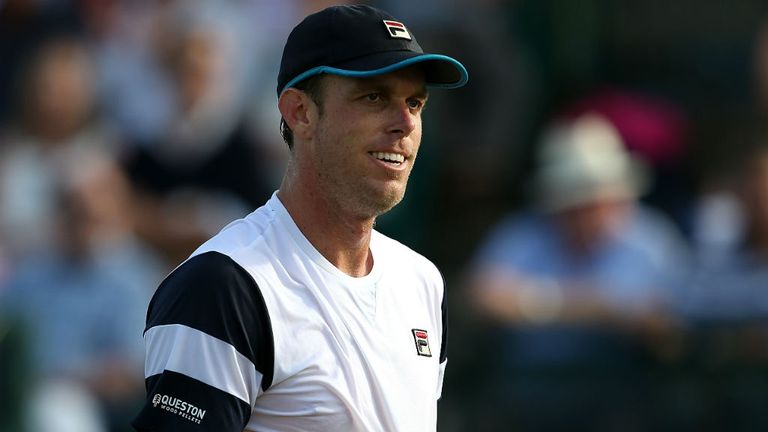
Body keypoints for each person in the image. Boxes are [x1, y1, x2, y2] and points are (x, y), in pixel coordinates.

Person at [131, 5, 468, 432]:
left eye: (415, 103)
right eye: (375, 97)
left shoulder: (422, 282)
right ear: (300, 113)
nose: (404, 123)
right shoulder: (222, 287)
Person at [465, 113, 689, 431]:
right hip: (525, 400)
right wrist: (579, 305)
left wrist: (611, 314)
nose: (585, 211)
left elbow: (670, 325)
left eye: (594, 198)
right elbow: (482, 297)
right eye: (575, 200)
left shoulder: (652, 242)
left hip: (621, 401)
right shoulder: (525, 233)